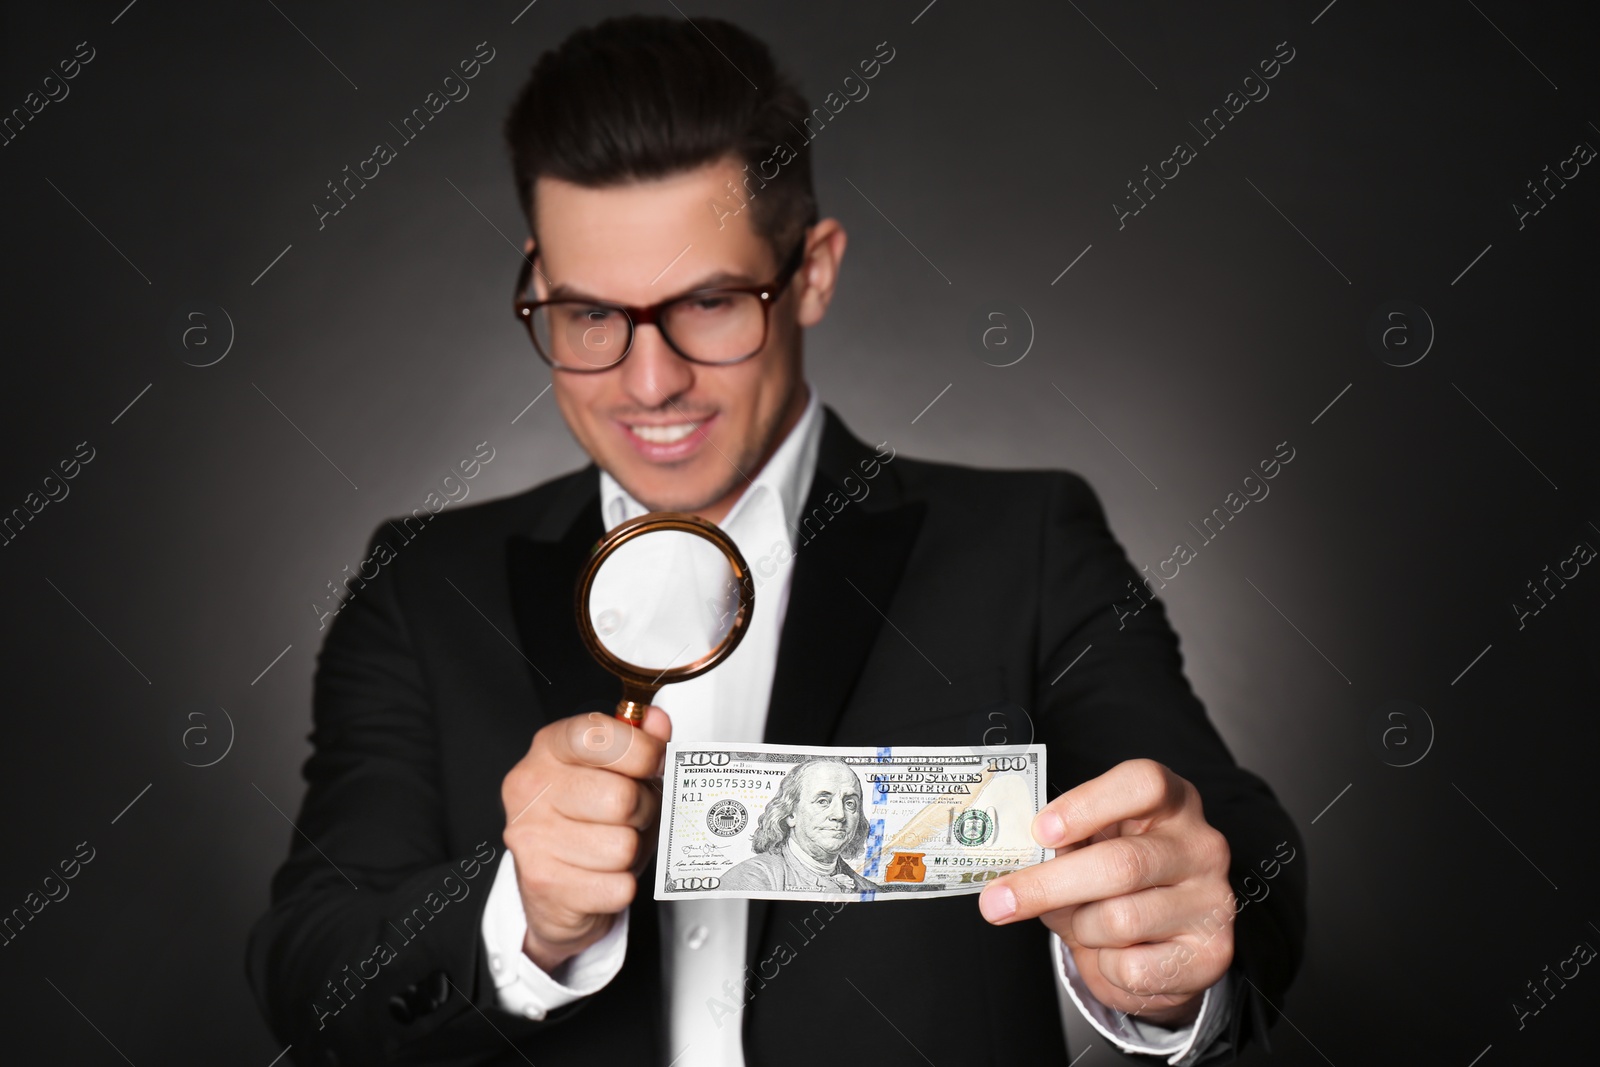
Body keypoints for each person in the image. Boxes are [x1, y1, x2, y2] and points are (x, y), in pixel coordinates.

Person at [247, 14, 1306, 1067]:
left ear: (812, 270)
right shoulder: (423, 586)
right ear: (535, 285)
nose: (649, 380)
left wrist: (1168, 954)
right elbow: (309, 971)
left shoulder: (1021, 543)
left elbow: (1250, 874)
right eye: (586, 315)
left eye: (709, 302)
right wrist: (518, 915)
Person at [719, 759, 877, 894]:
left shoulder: (869, 890)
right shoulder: (751, 878)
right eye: (823, 801)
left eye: (850, 803)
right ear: (790, 814)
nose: (840, 815)